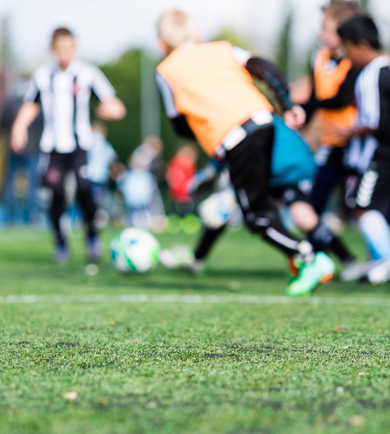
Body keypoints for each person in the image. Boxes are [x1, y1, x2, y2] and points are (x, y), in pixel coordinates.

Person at [155, 9, 336, 296]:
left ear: (161, 45)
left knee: (257, 216)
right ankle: (298, 259)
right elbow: (263, 66)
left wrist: (206, 127)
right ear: (198, 37)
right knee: (261, 201)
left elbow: (179, 124)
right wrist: (286, 104)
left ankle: (310, 257)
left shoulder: (165, 71)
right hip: (264, 122)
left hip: (234, 137)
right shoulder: (222, 49)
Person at [160, 117, 356, 277]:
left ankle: (323, 259)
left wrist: (199, 182)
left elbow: (224, 154)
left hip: (287, 170)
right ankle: (343, 261)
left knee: (228, 209)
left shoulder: (235, 122)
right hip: (281, 169)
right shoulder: (261, 117)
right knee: (227, 208)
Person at [11, 27, 126, 262]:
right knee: (54, 193)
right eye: (60, 49)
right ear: (52, 50)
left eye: (69, 48)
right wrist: (18, 127)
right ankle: (60, 241)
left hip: (80, 145)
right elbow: (30, 104)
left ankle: (92, 236)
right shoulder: (43, 76)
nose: (65, 54)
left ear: (76, 48)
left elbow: (114, 105)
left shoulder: (88, 73)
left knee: (85, 188)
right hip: (52, 147)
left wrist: (112, 111)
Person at [336, 15, 390, 284]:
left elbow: (375, 121)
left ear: (361, 45)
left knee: (362, 206)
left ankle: (384, 260)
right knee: (378, 209)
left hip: (377, 155)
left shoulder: (371, 74)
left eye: (346, 49)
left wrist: (347, 131)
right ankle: (378, 262)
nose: (346, 57)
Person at [299, 0, 364, 216]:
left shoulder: (359, 60)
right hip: (330, 142)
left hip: (358, 142)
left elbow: (342, 98)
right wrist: (300, 121)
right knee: (316, 199)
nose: (320, 35)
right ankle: (318, 249)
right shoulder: (319, 58)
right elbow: (315, 99)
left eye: (326, 28)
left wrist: (310, 104)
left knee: (363, 207)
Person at [0, 79, 43, 224]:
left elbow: (3, 124)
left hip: (15, 148)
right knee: (32, 184)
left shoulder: (12, 102)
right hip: (32, 149)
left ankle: (11, 217)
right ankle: (31, 217)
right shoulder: (39, 104)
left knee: (11, 184)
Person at [166, 144, 198, 216]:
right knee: (178, 210)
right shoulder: (176, 163)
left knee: (186, 209)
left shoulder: (188, 165)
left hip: (184, 192)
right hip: (179, 192)